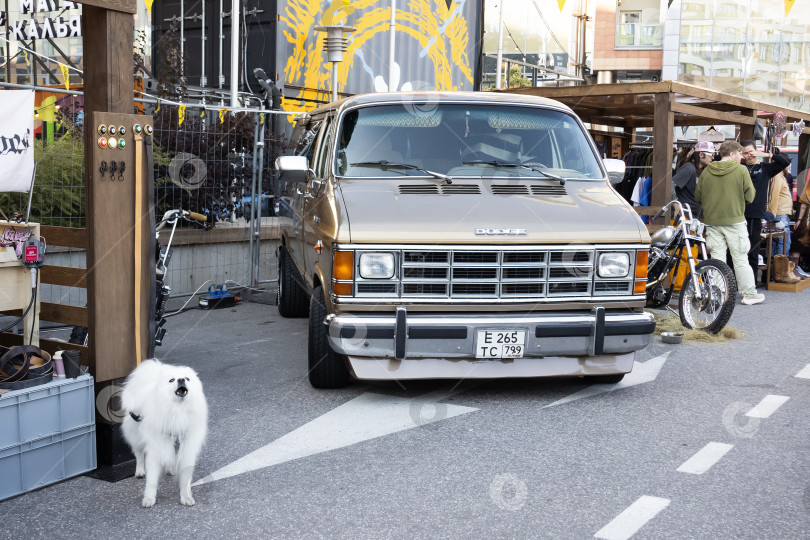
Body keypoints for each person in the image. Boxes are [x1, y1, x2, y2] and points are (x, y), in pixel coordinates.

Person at [695, 140, 762, 305]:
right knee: (740, 258)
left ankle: (719, 293)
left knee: (717, 258)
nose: (741, 157)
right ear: (732, 154)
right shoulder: (741, 170)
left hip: (712, 221)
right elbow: (750, 197)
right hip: (735, 220)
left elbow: (698, 197)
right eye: (740, 153)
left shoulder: (706, 171)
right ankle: (749, 294)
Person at [740, 141, 791, 284]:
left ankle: (752, 282)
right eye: (745, 153)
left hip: (756, 214)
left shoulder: (764, 168)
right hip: (738, 213)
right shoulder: (739, 167)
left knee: (753, 250)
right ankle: (737, 281)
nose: (749, 155)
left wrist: (765, 154)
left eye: (751, 152)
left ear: (756, 151)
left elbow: (784, 162)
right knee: (738, 250)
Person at [672, 140, 714, 219]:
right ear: (701, 154)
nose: (713, 157)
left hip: (693, 216)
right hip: (683, 215)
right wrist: (676, 204)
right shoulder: (689, 168)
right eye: (711, 154)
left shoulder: (701, 170)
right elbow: (670, 185)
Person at [766, 165, 793, 256]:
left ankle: (773, 267)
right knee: (783, 241)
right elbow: (773, 197)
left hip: (779, 214)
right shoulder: (777, 177)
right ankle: (780, 268)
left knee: (775, 241)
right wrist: (771, 217)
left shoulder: (780, 177)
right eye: (788, 165)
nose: (789, 167)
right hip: (779, 214)